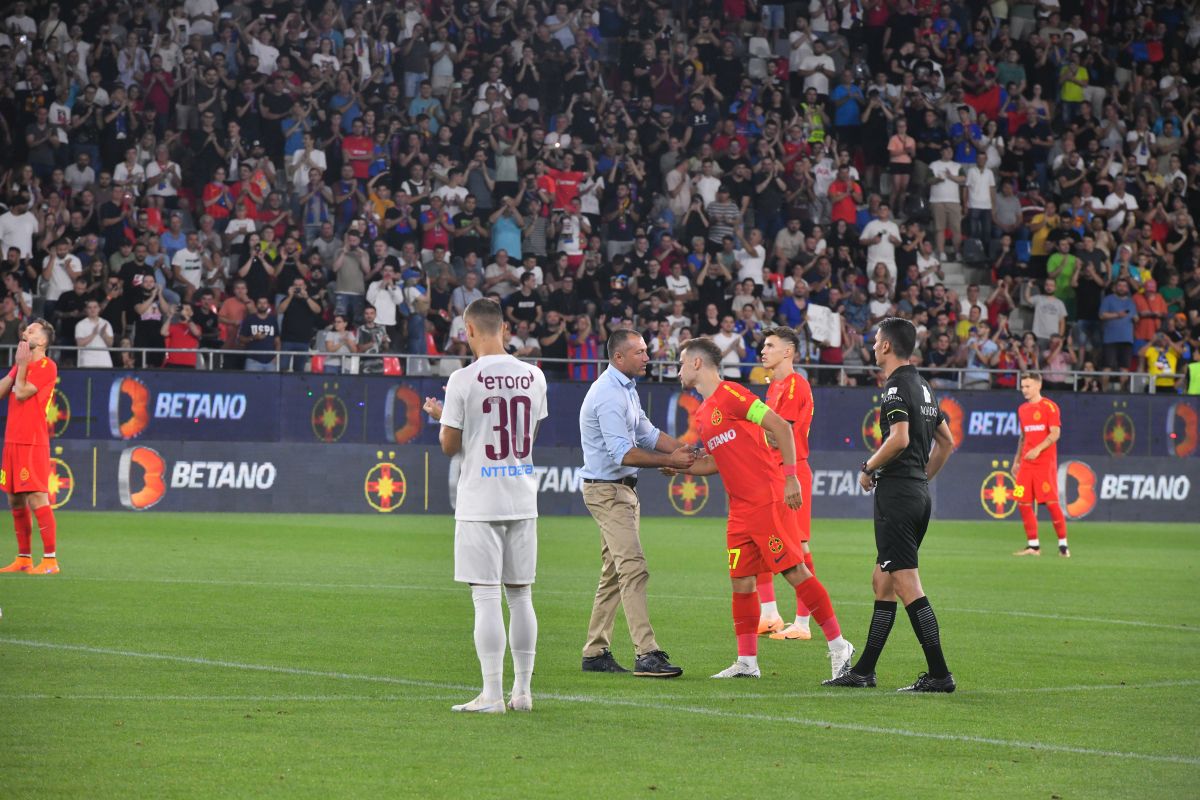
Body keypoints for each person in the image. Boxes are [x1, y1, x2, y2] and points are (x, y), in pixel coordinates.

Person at [670, 337, 853, 680]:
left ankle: (839, 646)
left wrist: (790, 478)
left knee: (793, 572)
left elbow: (781, 426)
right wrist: (676, 465)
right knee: (740, 583)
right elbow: (716, 462)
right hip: (739, 511)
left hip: (766, 500)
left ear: (697, 363)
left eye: (681, 362)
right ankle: (747, 662)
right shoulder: (705, 412)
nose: (678, 370)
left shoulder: (733, 395)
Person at [421, 299, 548, 714]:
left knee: (486, 597)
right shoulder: (534, 376)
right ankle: (523, 693)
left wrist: (444, 418)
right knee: (521, 595)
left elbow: (450, 445)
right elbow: (523, 430)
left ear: (469, 330)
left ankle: (492, 694)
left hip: (479, 498)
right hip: (522, 495)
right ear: (505, 329)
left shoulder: (462, 379)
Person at [824, 318, 956, 692]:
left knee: (905, 582)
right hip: (915, 493)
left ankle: (939, 674)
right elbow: (946, 442)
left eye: (876, 339)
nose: (873, 344)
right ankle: (864, 670)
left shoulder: (897, 386)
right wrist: (922, 477)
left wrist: (869, 467)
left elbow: (898, 438)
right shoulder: (925, 387)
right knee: (882, 580)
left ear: (885, 346)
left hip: (897, 496)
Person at [577, 329, 693, 677]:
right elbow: (623, 451)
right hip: (608, 491)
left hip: (621, 490)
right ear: (619, 357)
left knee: (614, 573)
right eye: (640, 352)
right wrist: (670, 461)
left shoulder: (625, 388)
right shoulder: (609, 395)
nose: (647, 356)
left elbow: (646, 432)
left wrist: (683, 452)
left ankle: (595, 652)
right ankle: (647, 653)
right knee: (634, 568)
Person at [755, 327, 820, 640]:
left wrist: (746, 427)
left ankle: (803, 624)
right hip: (772, 472)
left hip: (791, 473)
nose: (763, 351)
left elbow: (779, 434)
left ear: (788, 352)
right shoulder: (774, 387)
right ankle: (769, 614)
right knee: (762, 540)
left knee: (799, 547)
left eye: (770, 345)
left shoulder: (795, 385)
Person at [0, 322, 61, 575]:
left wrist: (22, 365)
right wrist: (17, 368)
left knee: (37, 497)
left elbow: (23, 393)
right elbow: (4, 389)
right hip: (12, 439)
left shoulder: (47, 366)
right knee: (14, 498)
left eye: (32, 331)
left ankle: (50, 560)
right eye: (25, 330)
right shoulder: (20, 365)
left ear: (44, 341)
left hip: (32, 440)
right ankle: (24, 557)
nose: (26, 333)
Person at [1012, 373, 1069, 558]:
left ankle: (1063, 546)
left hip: (1044, 464)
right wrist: (1016, 461)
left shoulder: (1050, 407)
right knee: (1022, 501)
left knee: (1052, 503)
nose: (1024, 390)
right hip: (1026, 466)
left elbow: (1055, 434)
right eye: (1022, 387)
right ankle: (1033, 546)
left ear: (1038, 385)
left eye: (1027, 386)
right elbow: (1023, 437)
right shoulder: (1022, 409)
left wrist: (1038, 449)